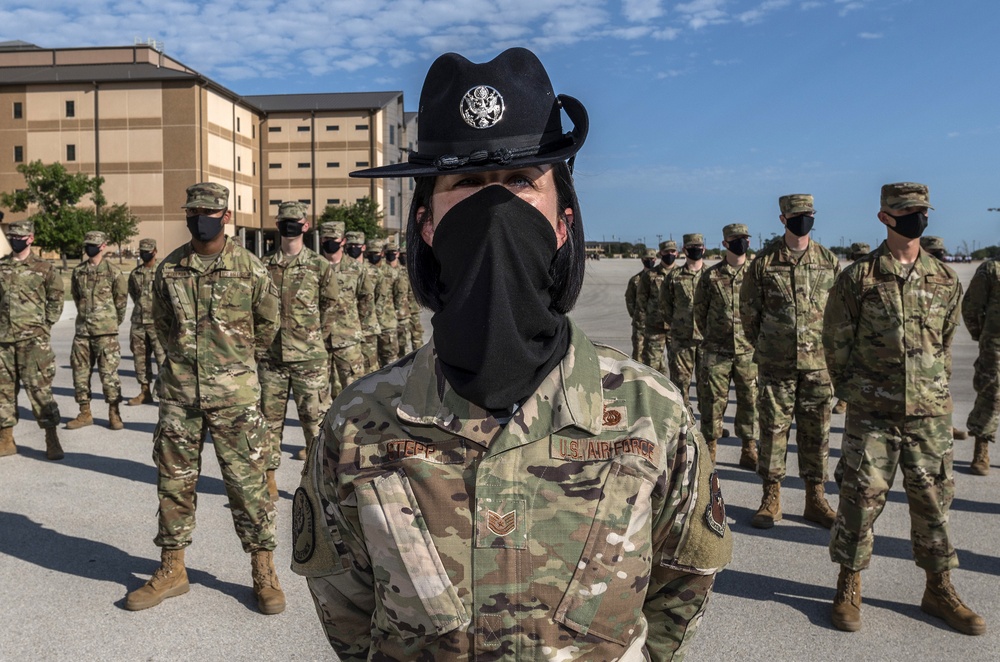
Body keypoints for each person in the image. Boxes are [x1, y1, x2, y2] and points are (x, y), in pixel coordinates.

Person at [291, 47, 731, 661]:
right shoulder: (360, 423)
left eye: (522, 182)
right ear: (425, 222)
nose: (493, 209)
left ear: (561, 220)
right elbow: (348, 611)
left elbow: (679, 590)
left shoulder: (651, 414)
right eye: (467, 183)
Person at [823, 182, 984, 635]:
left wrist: (930, 393)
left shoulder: (945, 278)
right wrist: (858, 394)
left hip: (929, 415)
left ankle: (939, 589)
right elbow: (836, 343)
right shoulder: (859, 278)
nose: (918, 217)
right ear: (885, 217)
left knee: (934, 504)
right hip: (873, 414)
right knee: (859, 501)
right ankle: (849, 583)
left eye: (922, 210)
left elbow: (946, 340)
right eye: (908, 210)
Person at [125, 182, 285, 615]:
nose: (201, 218)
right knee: (173, 485)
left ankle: (264, 571)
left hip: (235, 398)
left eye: (209, 211)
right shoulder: (169, 269)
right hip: (180, 396)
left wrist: (232, 366)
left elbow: (268, 328)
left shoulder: (250, 268)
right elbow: (160, 324)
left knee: (248, 487)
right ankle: (172, 569)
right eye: (193, 210)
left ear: (226, 216)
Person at [741, 194, 840, 529]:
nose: (803, 219)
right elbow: (749, 314)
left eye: (808, 213)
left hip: (818, 366)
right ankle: (771, 498)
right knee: (772, 431)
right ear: (783, 219)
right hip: (776, 365)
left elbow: (840, 316)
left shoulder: (828, 261)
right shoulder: (764, 263)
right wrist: (770, 346)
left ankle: (816, 498)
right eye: (796, 215)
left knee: (817, 434)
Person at [259, 201, 338, 497]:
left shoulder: (319, 266)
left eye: (295, 220)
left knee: (315, 424)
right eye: (284, 220)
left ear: (306, 226)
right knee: (268, 422)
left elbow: (330, 304)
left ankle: (317, 484)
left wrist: (316, 335)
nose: (289, 225)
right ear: (277, 225)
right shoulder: (263, 265)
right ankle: (268, 479)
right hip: (272, 359)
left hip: (310, 359)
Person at [694, 223, 758, 469]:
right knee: (712, 403)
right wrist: (715, 335)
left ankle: (749, 449)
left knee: (749, 401)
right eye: (735, 238)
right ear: (725, 243)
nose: (740, 242)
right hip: (716, 352)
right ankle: (710, 450)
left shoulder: (755, 274)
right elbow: (700, 312)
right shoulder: (711, 276)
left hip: (747, 351)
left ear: (749, 243)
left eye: (744, 238)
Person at [0, 219, 64, 460]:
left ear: (30, 238)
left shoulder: (44, 268)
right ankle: (6, 438)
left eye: (20, 236)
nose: (15, 239)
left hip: (34, 342)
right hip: (4, 340)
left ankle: (51, 437)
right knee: (3, 391)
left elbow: (56, 299)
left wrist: (44, 326)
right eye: (12, 236)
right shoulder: (2, 267)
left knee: (39, 390)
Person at [66, 231, 128, 431]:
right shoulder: (78, 272)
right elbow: (77, 297)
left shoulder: (113, 272)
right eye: (87, 244)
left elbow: (121, 301)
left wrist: (110, 323)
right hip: (83, 332)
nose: (89, 247)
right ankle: (85, 412)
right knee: (80, 374)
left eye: (93, 244)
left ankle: (114, 412)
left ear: (103, 246)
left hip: (106, 333)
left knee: (109, 374)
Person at [318, 221, 368, 401]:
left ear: (343, 240)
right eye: (326, 238)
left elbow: (366, 300)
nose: (329, 242)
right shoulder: (314, 266)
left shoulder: (356, 268)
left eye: (334, 238)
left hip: (348, 340)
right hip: (319, 341)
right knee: (321, 396)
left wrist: (358, 326)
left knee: (355, 391)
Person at [962, 238, 1000, 475]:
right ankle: (981, 448)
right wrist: (982, 336)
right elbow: (971, 307)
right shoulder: (991, 269)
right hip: (996, 345)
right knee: (991, 394)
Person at [661, 233, 705, 409]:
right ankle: (685, 427)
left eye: (698, 248)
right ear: (684, 250)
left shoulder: (711, 275)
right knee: (680, 385)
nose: (695, 251)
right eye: (692, 248)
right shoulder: (674, 276)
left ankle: (708, 428)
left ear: (704, 249)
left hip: (706, 340)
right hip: (681, 340)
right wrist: (677, 325)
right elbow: (665, 306)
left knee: (707, 386)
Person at [126, 238, 165, 406]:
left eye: (147, 251)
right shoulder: (135, 274)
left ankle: (165, 394)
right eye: (142, 251)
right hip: (139, 322)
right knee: (140, 359)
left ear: (155, 251)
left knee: (163, 359)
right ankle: (144, 392)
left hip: (158, 323)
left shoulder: (163, 272)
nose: (144, 254)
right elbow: (134, 295)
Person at [636, 239, 678, 373]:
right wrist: (642, 325)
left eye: (672, 251)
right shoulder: (650, 275)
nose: (670, 254)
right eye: (666, 251)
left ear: (677, 253)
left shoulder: (681, 275)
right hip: (654, 327)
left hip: (677, 328)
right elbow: (641, 301)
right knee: (653, 367)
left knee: (678, 369)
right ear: (661, 253)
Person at [346, 230, 380, 373]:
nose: (354, 248)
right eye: (350, 245)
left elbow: (378, 299)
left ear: (363, 247)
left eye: (357, 245)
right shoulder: (339, 269)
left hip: (367, 329)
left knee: (370, 369)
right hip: (347, 331)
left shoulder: (373, 271)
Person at [367, 238, 399, 367]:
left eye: (376, 253)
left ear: (381, 253)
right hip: (368, 326)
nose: (373, 256)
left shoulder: (392, 272)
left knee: (391, 362)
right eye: (370, 253)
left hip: (387, 322)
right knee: (371, 364)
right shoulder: (363, 270)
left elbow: (398, 296)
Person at [625, 249, 657, 361]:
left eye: (652, 259)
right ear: (642, 260)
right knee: (638, 353)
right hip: (640, 323)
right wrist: (635, 315)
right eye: (647, 259)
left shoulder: (660, 278)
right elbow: (629, 299)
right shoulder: (635, 280)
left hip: (657, 324)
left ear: (656, 260)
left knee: (655, 357)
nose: (649, 261)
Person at [384, 237, 413, 358]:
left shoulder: (404, 271)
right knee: (389, 351)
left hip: (403, 316)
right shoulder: (382, 271)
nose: (392, 255)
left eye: (394, 252)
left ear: (397, 253)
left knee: (404, 350)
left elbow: (410, 294)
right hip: (386, 319)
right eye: (388, 252)